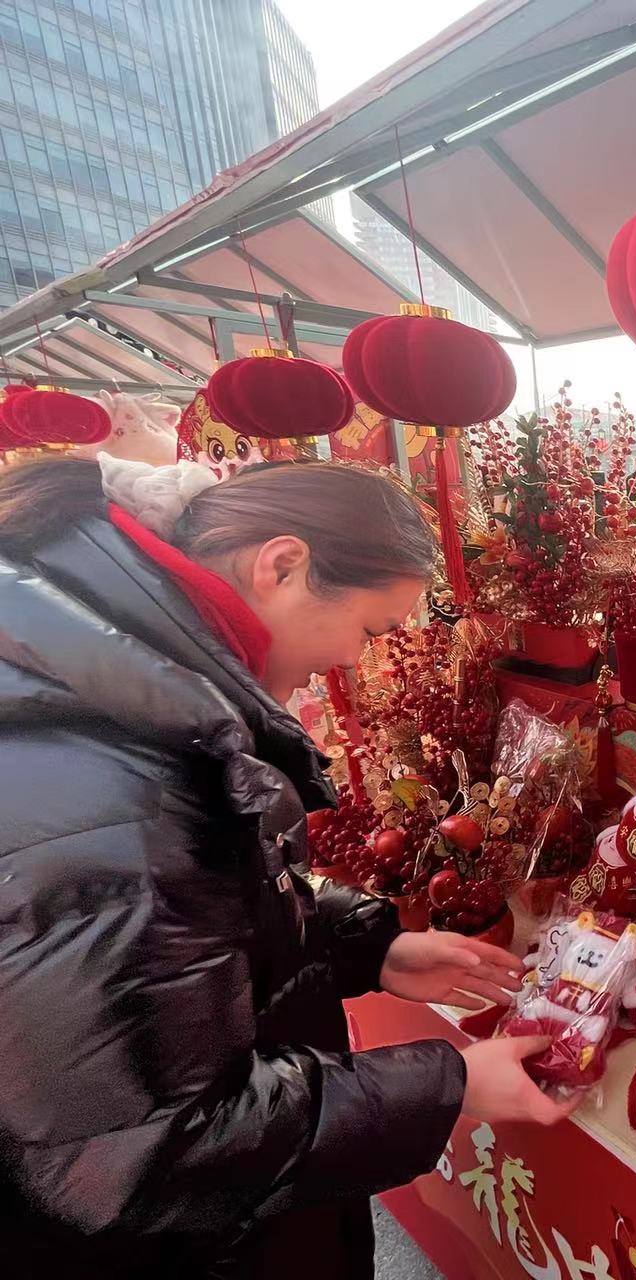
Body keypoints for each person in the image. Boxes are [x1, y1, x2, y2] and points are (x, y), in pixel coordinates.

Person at [0, 456, 572, 1279]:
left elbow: (188, 930)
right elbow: (154, 1145)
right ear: (282, 565)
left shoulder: (128, 702)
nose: (350, 660)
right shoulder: (114, 775)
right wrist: (445, 1087)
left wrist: (361, 945)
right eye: (370, 630)